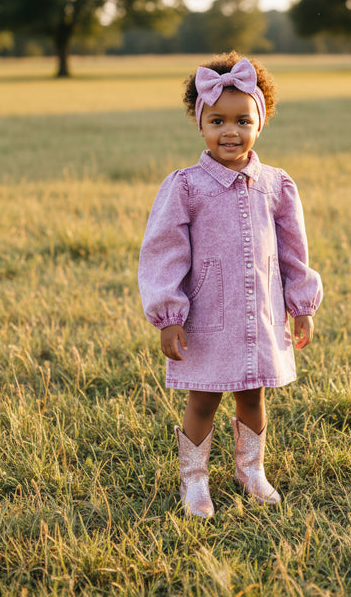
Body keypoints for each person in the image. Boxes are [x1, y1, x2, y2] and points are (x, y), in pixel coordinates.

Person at [138, 52, 323, 518]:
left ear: (260, 123)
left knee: (253, 394)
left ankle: (251, 469)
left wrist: (302, 304)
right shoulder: (185, 186)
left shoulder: (277, 185)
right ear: (200, 124)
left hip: (260, 312)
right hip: (207, 316)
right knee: (203, 399)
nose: (230, 132)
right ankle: (194, 479)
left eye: (243, 120)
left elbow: (293, 252)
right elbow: (164, 252)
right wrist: (168, 316)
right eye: (217, 120)